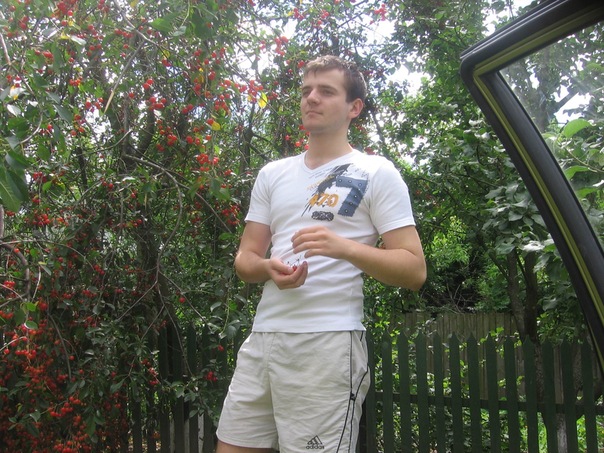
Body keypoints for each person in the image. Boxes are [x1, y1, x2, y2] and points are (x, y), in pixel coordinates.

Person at [215, 55, 426, 453]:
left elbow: (414, 270)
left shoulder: (376, 172)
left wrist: (343, 248)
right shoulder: (272, 174)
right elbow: (245, 259)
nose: (311, 98)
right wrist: (267, 268)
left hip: (327, 343)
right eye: (306, 90)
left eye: (326, 91)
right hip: (263, 339)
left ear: (354, 107)